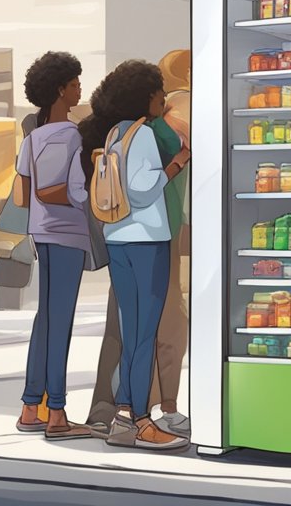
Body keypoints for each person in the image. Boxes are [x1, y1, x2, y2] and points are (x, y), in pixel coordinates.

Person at [78, 61, 192, 451]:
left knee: (131, 332)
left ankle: (124, 418)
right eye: (159, 92)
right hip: (147, 240)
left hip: (118, 237)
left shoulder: (114, 133)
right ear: (146, 97)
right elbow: (143, 189)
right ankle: (142, 422)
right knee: (144, 334)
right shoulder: (142, 135)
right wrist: (176, 165)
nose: (163, 98)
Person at [15, 51, 92, 441]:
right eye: (76, 83)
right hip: (67, 234)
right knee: (59, 321)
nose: (80, 88)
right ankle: (57, 413)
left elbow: (24, 194)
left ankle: (32, 406)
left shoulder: (33, 139)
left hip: (41, 232)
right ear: (61, 89)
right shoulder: (72, 136)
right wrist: (90, 195)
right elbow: (62, 189)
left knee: (45, 319)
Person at [150, 49, 192, 436]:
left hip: (157, 228)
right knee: (174, 319)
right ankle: (168, 407)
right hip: (178, 226)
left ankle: (139, 406)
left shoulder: (147, 122)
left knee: (155, 317)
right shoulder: (181, 110)